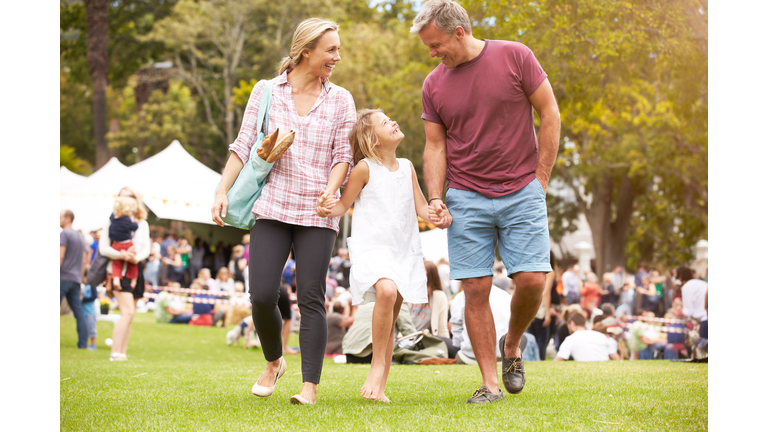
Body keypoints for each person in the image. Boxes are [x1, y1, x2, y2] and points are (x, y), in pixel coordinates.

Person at [412, 0, 560, 403]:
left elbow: (549, 112)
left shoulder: (515, 55)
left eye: (436, 43)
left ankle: (511, 344)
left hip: (521, 191)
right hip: (465, 196)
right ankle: (489, 383)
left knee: (531, 280)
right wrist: (437, 197)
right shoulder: (433, 84)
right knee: (474, 289)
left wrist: (540, 179)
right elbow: (434, 145)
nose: (432, 53)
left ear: (460, 32)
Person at [212, 18, 356, 405]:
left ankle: (309, 387)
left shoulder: (341, 99)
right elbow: (243, 145)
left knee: (310, 296)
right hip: (272, 204)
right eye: (331, 50)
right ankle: (274, 361)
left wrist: (331, 191)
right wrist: (221, 190)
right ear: (306, 50)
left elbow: (343, 156)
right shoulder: (266, 91)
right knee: (260, 294)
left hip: (318, 211)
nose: (337, 57)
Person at [316, 108, 448, 402]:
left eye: (392, 118)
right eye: (386, 122)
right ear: (372, 139)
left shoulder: (407, 167)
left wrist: (438, 214)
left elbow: (422, 208)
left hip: (403, 248)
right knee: (386, 292)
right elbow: (342, 205)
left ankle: (380, 388)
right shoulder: (364, 168)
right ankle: (376, 367)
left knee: (391, 312)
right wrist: (327, 206)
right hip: (373, 246)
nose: (394, 121)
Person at [99, 187, 151, 361]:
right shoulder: (112, 221)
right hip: (118, 271)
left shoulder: (142, 223)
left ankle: (122, 352)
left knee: (130, 315)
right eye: (121, 196)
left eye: (129, 197)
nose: (125, 199)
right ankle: (115, 352)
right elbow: (103, 248)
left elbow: (146, 248)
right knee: (127, 312)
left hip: (136, 269)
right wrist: (122, 255)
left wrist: (135, 258)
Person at [450, 285, 512, 365]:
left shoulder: (460, 297)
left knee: (446, 342)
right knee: (524, 338)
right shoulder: (506, 296)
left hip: (470, 357)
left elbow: (457, 336)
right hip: (502, 357)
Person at [60, 210, 88, 349]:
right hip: (75, 279)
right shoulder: (79, 236)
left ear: (68, 219)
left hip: (63, 277)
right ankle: (83, 343)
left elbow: (60, 255)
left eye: (60, 217)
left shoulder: (64, 234)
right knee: (79, 313)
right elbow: (84, 260)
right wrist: (81, 277)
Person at [554, 313, 620, 362]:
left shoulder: (571, 338)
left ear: (572, 323)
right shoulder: (600, 335)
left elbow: (558, 360)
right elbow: (615, 357)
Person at [108, 196, 140, 290]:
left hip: (116, 244)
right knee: (133, 263)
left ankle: (116, 280)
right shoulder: (127, 220)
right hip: (127, 244)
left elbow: (111, 216)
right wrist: (136, 223)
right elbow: (134, 227)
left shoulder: (113, 218)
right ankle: (133, 280)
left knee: (116, 264)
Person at [678, 266, 708, 339]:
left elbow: (688, 311)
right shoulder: (701, 283)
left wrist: (680, 309)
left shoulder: (687, 286)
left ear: (681, 276)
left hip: (705, 320)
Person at [81, 284, 99, 350]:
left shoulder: (92, 286)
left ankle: (93, 345)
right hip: (83, 311)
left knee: (91, 328)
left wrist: (83, 299)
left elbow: (94, 296)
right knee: (84, 328)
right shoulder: (83, 287)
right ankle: (85, 344)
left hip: (90, 312)